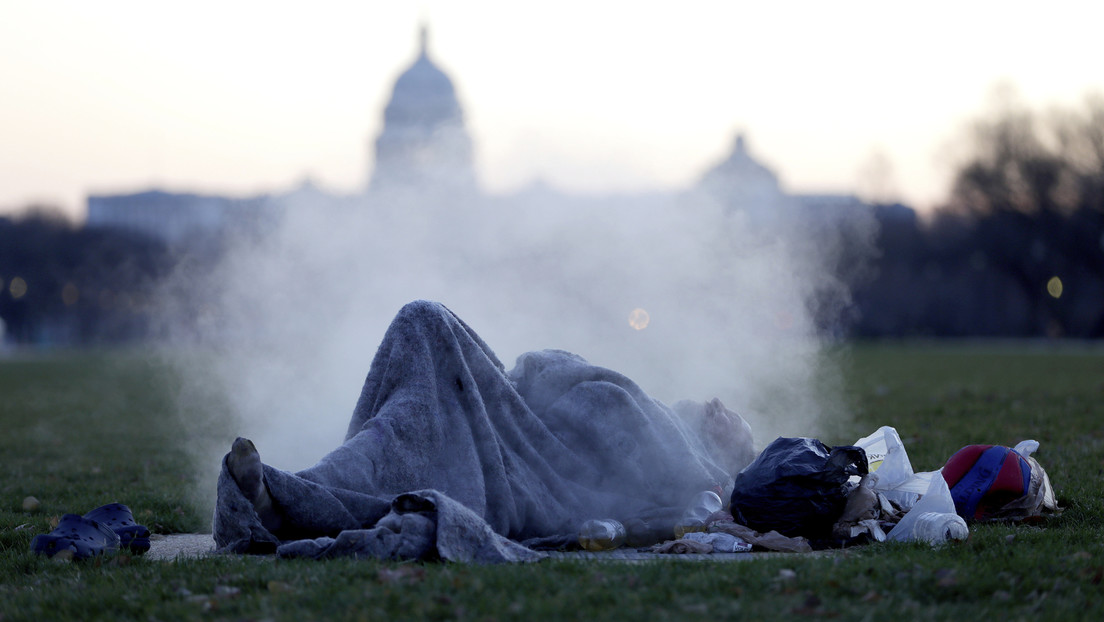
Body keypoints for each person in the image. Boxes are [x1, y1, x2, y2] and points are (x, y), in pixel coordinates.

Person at [215, 300, 755, 559]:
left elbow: (680, 484)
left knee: (415, 417)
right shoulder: (657, 408)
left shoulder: (692, 468)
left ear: (724, 455)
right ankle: (292, 491)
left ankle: (288, 500)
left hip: (524, 462)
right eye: (723, 406)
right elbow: (547, 371)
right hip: (509, 412)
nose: (718, 406)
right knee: (412, 375)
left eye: (733, 425)